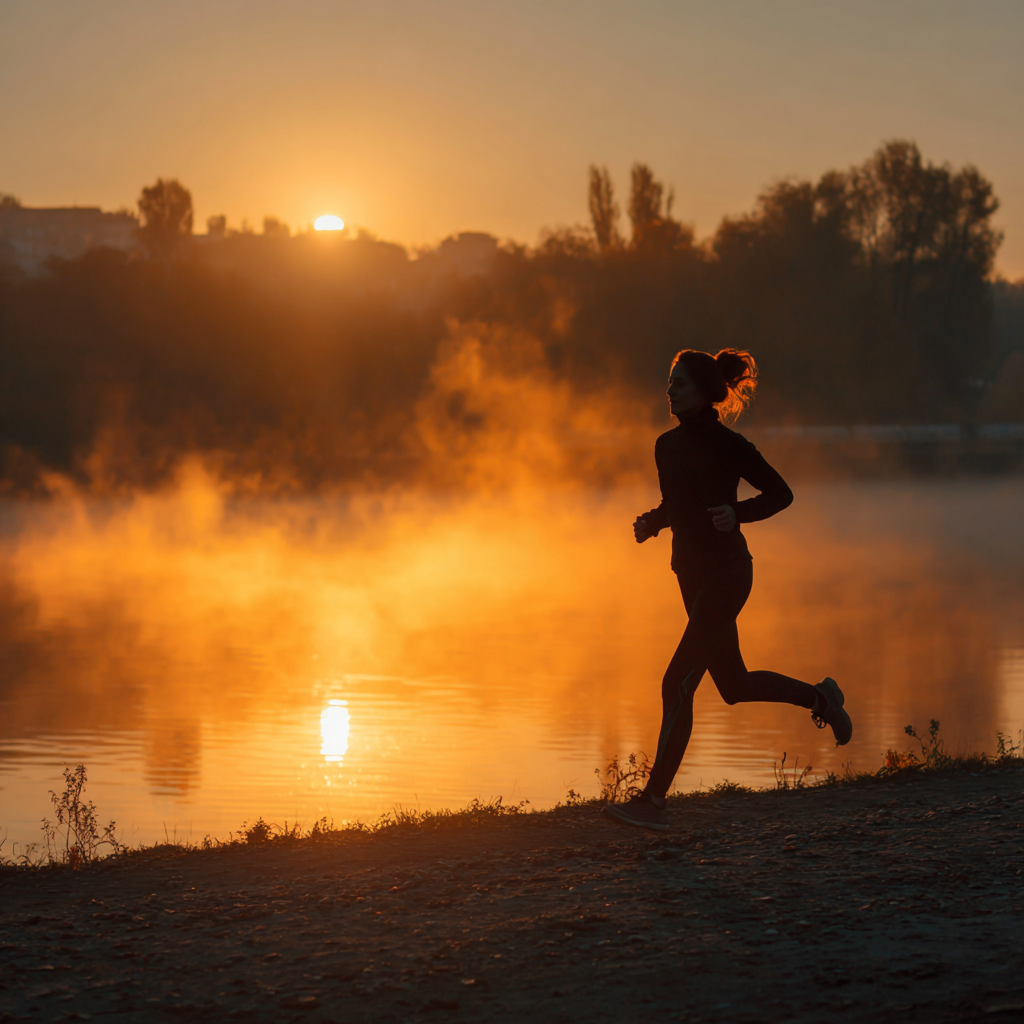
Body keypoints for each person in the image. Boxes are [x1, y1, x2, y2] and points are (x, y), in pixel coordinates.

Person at [603, 348, 852, 832]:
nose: (670, 390)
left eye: (680, 384)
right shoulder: (665, 446)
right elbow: (677, 503)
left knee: (676, 682)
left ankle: (653, 801)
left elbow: (781, 493)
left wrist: (739, 514)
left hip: (728, 574)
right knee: (733, 686)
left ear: (704, 393)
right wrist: (653, 522)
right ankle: (822, 699)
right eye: (669, 382)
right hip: (689, 576)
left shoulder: (730, 445)